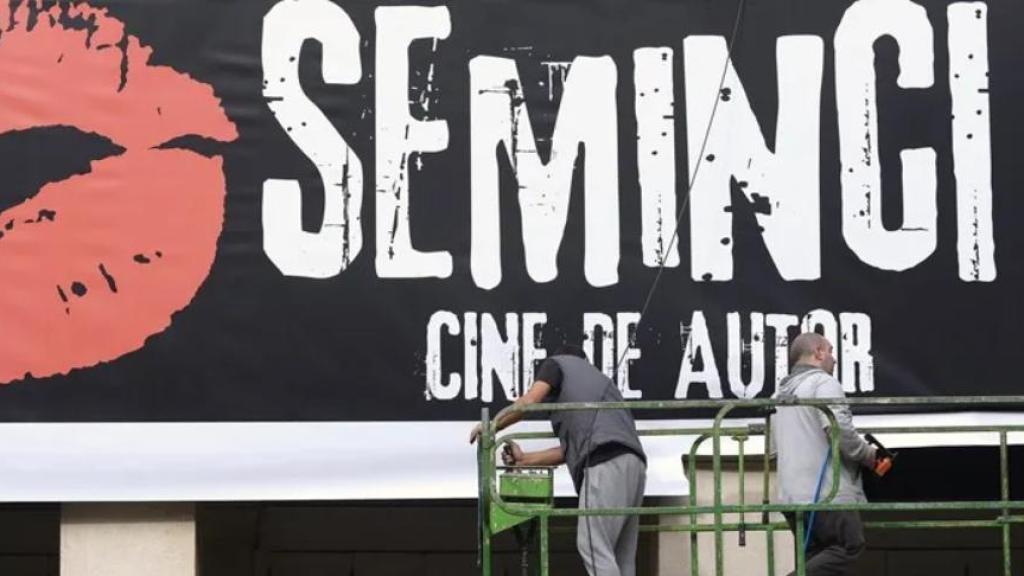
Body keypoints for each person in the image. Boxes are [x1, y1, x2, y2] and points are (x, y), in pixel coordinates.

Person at [470, 344, 647, 576]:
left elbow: (529, 401)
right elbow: (574, 448)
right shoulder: (602, 385)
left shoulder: (557, 364)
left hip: (603, 464)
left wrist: (492, 425)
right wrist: (525, 460)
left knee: (592, 546)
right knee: (622, 558)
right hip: (634, 464)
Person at [772, 332, 877, 576]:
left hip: (792, 498)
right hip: (827, 495)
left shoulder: (778, 397)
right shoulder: (822, 383)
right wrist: (869, 455)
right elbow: (840, 433)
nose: (834, 358)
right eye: (830, 350)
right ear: (818, 352)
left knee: (816, 558)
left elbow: (774, 451)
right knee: (849, 546)